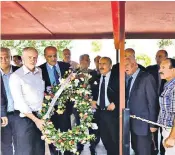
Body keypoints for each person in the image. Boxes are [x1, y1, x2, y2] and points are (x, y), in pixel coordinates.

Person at [9, 47, 45, 155]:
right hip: (24, 119)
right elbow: (20, 102)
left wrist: (40, 118)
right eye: (29, 57)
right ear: (23, 58)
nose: (33, 60)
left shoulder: (40, 71)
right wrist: (36, 120)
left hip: (39, 117)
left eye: (35, 57)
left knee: (39, 149)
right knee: (25, 151)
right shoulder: (16, 76)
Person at [39, 46, 72, 155]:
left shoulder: (66, 66)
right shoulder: (40, 69)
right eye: (50, 56)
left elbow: (73, 84)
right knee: (51, 134)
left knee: (66, 132)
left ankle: (67, 153)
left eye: (55, 56)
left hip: (64, 106)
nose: (53, 58)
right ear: (45, 57)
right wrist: (45, 90)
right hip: (49, 108)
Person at [125, 56, 158, 155]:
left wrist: (153, 124)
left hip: (144, 124)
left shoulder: (146, 77)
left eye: (126, 65)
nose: (124, 68)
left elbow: (153, 102)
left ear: (135, 64)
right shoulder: (127, 78)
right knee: (136, 149)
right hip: (131, 122)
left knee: (144, 151)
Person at [91, 57, 119, 155]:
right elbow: (95, 92)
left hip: (112, 113)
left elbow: (125, 93)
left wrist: (116, 103)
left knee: (114, 140)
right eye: (100, 63)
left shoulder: (117, 78)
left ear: (110, 65)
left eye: (104, 63)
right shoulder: (97, 78)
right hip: (100, 112)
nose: (101, 66)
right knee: (105, 139)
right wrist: (93, 100)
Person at [146, 49, 168, 155]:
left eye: (160, 56)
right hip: (153, 106)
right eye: (156, 56)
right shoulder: (149, 69)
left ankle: (164, 151)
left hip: (166, 108)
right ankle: (153, 151)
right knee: (152, 131)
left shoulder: (170, 71)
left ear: (166, 58)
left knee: (165, 133)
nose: (158, 58)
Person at [0, 47, 19, 155]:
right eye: (0, 57)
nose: (3, 60)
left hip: (19, 115)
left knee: (20, 144)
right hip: (2, 116)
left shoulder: (19, 71)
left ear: (11, 57)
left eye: (6, 57)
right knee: (5, 145)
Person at [157, 58, 175, 155]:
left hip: (172, 131)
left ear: (173, 70)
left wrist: (172, 137)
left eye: (163, 68)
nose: (160, 70)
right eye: (160, 68)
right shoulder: (167, 85)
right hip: (167, 130)